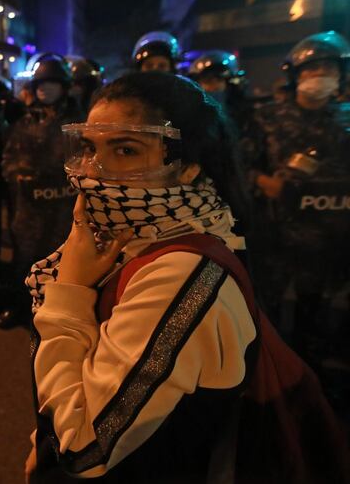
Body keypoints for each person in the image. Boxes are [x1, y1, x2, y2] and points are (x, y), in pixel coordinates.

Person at [25, 72, 348, 483]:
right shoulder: (142, 237)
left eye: (125, 149)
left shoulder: (178, 273)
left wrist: (70, 291)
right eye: (89, 147)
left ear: (189, 168)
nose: (96, 170)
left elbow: (84, 448)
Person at [243, 31, 350, 363]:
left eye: (328, 69)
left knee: (321, 318)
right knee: (271, 316)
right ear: (294, 75)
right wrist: (263, 182)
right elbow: (241, 164)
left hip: (332, 238)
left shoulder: (345, 119)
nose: (319, 77)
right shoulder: (268, 118)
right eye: (310, 70)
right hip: (279, 237)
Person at [0, 56, 83, 329]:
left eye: (52, 83)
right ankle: (19, 306)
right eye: (40, 84)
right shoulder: (25, 122)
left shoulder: (77, 122)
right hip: (30, 205)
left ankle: (57, 313)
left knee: (63, 260)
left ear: (64, 87)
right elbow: (8, 157)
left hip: (64, 204)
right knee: (25, 257)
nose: (45, 89)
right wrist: (16, 175)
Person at [188, 50, 251, 129]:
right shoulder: (190, 113)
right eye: (208, 80)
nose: (214, 85)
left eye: (219, 79)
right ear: (198, 84)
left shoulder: (240, 110)